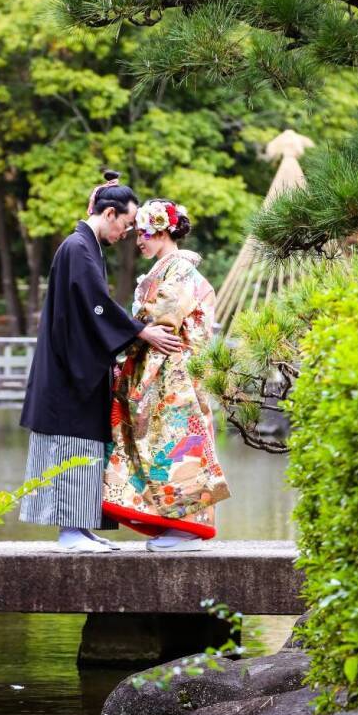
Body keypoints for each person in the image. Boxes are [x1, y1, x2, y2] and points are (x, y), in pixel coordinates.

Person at [19, 172, 183, 553]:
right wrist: (142, 332)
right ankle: (69, 531)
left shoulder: (85, 247)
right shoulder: (78, 248)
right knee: (69, 445)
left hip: (82, 364)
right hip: (68, 370)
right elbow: (96, 306)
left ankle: (80, 526)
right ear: (110, 213)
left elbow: (93, 308)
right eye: (126, 225)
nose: (126, 234)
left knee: (86, 446)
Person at [102, 198, 230, 551]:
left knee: (179, 446)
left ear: (161, 230)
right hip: (161, 370)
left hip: (175, 374)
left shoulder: (180, 271)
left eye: (143, 233)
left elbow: (163, 318)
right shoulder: (165, 269)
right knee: (162, 446)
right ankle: (173, 522)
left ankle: (188, 527)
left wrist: (130, 334)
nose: (138, 240)